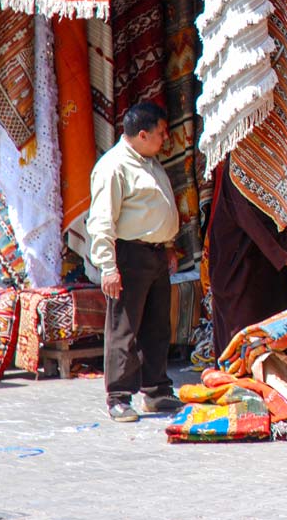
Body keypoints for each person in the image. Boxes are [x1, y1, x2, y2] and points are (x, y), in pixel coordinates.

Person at [87, 101, 182, 422]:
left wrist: (167, 245)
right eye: (160, 133)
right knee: (124, 327)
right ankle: (118, 396)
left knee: (157, 326)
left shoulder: (148, 161)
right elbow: (101, 220)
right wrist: (108, 266)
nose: (164, 138)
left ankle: (156, 390)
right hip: (129, 255)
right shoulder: (113, 167)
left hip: (154, 254)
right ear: (142, 134)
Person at [208, 163, 287, 357]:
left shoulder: (257, 161)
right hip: (240, 266)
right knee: (244, 335)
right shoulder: (241, 166)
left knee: (273, 331)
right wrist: (285, 252)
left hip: (262, 263)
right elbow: (250, 214)